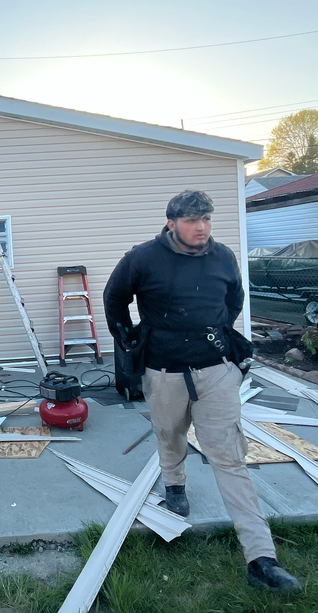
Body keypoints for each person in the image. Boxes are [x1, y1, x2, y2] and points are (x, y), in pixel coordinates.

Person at [103, 189, 301, 593]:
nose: (202, 227)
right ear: (172, 221)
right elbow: (115, 298)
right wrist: (129, 342)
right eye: (193, 220)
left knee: (229, 457)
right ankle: (175, 484)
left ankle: (261, 558)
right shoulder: (142, 258)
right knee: (169, 433)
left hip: (216, 372)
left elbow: (234, 300)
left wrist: (212, 332)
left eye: (207, 219)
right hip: (163, 371)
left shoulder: (223, 257)